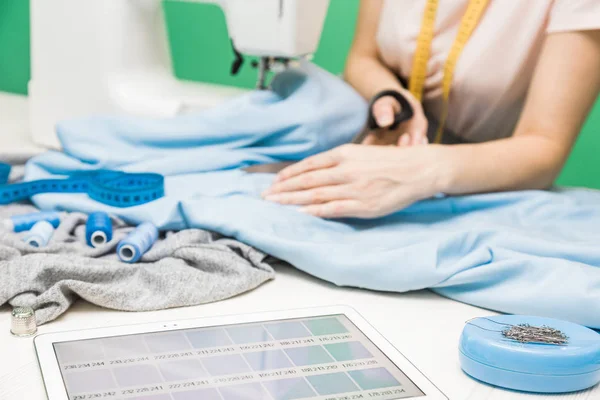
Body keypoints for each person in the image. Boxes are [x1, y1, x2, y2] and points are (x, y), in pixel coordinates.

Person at [263, 0, 600, 219]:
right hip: (373, 137)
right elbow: (362, 57)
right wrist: (391, 97)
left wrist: (422, 170)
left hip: (478, 181)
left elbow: (544, 146)